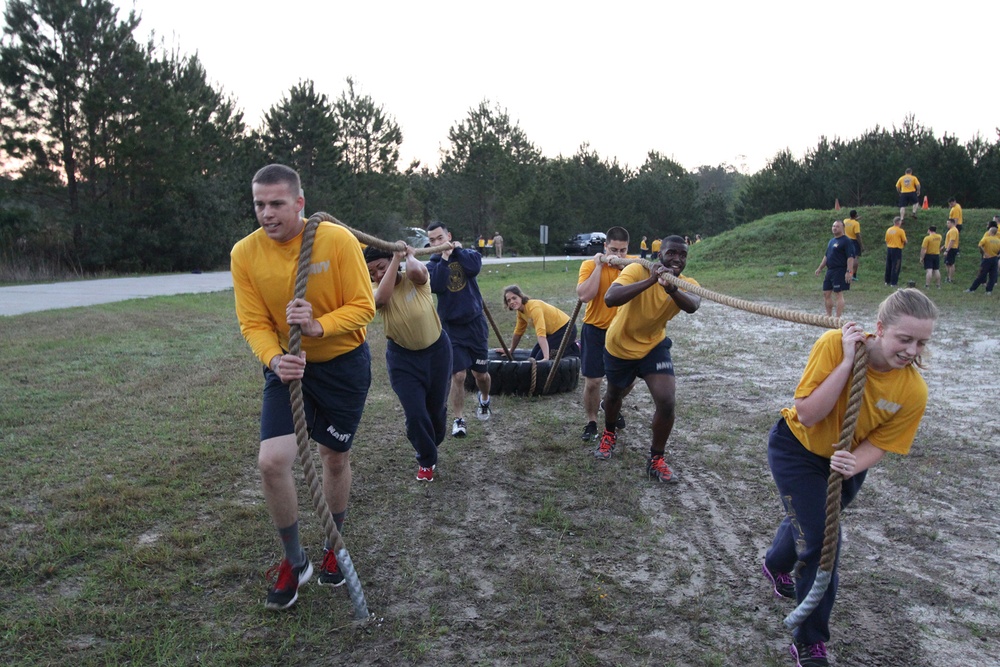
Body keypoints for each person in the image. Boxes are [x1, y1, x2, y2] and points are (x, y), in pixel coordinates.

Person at [762, 288, 938, 667]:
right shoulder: (833, 343)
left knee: (808, 524)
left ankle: (775, 564)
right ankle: (810, 642)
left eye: (921, 342)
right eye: (904, 339)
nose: (911, 350)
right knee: (825, 538)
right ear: (880, 328)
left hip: (846, 465)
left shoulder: (913, 390)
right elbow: (808, 414)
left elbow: (882, 443)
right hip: (798, 449)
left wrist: (854, 465)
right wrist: (845, 363)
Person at [231, 164, 376, 610]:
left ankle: (334, 541)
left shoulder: (337, 241)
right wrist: (275, 359)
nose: (267, 213)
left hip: (342, 367)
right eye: (259, 204)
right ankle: (295, 561)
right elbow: (253, 322)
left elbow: (363, 306)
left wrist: (317, 326)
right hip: (287, 367)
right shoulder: (245, 253)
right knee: (272, 462)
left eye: (276, 203)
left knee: (334, 458)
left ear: (299, 203)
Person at [597, 236, 701, 483]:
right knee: (614, 395)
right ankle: (609, 433)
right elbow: (611, 298)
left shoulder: (686, 283)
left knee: (666, 401)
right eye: (671, 253)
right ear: (659, 255)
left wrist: (671, 288)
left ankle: (656, 459)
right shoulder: (636, 269)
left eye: (682, 255)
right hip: (620, 345)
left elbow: (693, 305)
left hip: (653, 345)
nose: (677, 259)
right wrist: (651, 280)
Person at [365, 244, 451, 482]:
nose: (377, 274)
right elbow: (381, 300)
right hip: (402, 359)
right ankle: (426, 460)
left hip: (438, 353)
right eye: (372, 271)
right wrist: (392, 260)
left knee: (436, 412)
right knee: (415, 413)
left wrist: (408, 254)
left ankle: (429, 441)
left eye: (380, 268)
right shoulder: (373, 288)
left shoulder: (415, 279)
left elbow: (418, 272)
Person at [426, 222, 492, 438]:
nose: (436, 243)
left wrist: (457, 251)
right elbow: (435, 286)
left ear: (449, 235)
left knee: (480, 375)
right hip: (451, 328)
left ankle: (484, 399)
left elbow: (474, 268)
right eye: (432, 240)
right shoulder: (433, 264)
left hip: (475, 324)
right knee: (459, 375)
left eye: (439, 238)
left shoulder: (467, 254)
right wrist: (443, 258)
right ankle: (459, 419)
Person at [576, 226, 631, 440]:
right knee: (593, 382)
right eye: (614, 250)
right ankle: (591, 422)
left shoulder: (633, 265)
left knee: (628, 381)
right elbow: (585, 296)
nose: (618, 255)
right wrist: (599, 266)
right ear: (605, 247)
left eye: (623, 251)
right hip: (595, 329)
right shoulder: (589, 264)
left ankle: (607, 402)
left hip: (622, 331)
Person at [500, 285, 580, 361]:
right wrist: (511, 350)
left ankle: (574, 348)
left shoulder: (534, 308)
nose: (512, 302)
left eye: (514, 298)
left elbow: (541, 333)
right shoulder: (520, 312)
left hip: (567, 329)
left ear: (520, 296)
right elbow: (518, 333)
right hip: (552, 332)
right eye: (509, 300)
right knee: (533, 357)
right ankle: (568, 347)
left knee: (543, 358)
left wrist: (545, 357)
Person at [814, 220, 855, 318]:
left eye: (837, 226)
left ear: (842, 228)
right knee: (826, 293)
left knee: (838, 293)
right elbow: (826, 256)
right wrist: (820, 268)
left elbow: (850, 257)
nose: (834, 228)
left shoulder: (846, 241)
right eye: (833, 226)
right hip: (830, 270)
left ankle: (837, 317)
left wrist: (849, 271)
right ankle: (829, 315)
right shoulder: (831, 241)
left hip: (840, 270)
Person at [965, 222, 1000, 294]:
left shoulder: (986, 238)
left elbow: (979, 245)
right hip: (995, 259)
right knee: (992, 276)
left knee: (981, 274)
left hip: (987, 259)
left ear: (990, 232)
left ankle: (972, 289)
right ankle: (989, 291)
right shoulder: (998, 240)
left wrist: (984, 252)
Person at [883, 216, 907, 287]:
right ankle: (894, 282)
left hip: (889, 248)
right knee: (896, 266)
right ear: (898, 222)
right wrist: (903, 245)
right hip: (897, 249)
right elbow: (905, 241)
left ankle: (887, 281)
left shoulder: (889, 230)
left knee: (888, 265)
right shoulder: (900, 231)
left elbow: (886, 240)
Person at [842, 210, 863, 281]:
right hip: (854, 241)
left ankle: (846, 273)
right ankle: (853, 275)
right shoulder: (856, 224)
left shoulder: (845, 221)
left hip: (846, 240)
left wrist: (856, 218)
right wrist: (861, 245)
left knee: (847, 257)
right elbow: (857, 235)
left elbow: (850, 221)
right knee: (855, 259)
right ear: (856, 215)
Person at [919, 225, 942, 289]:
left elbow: (924, 249)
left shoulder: (927, 238)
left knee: (929, 270)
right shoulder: (939, 237)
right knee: (936, 270)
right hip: (936, 255)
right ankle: (938, 285)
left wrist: (921, 257)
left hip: (929, 255)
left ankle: (927, 285)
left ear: (929, 230)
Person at [943, 218, 960, 284]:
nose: (947, 224)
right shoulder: (952, 230)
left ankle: (950, 278)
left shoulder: (953, 230)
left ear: (952, 223)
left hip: (951, 249)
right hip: (950, 248)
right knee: (948, 263)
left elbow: (952, 241)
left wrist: (947, 250)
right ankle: (949, 277)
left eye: (948, 223)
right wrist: (943, 246)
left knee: (950, 264)